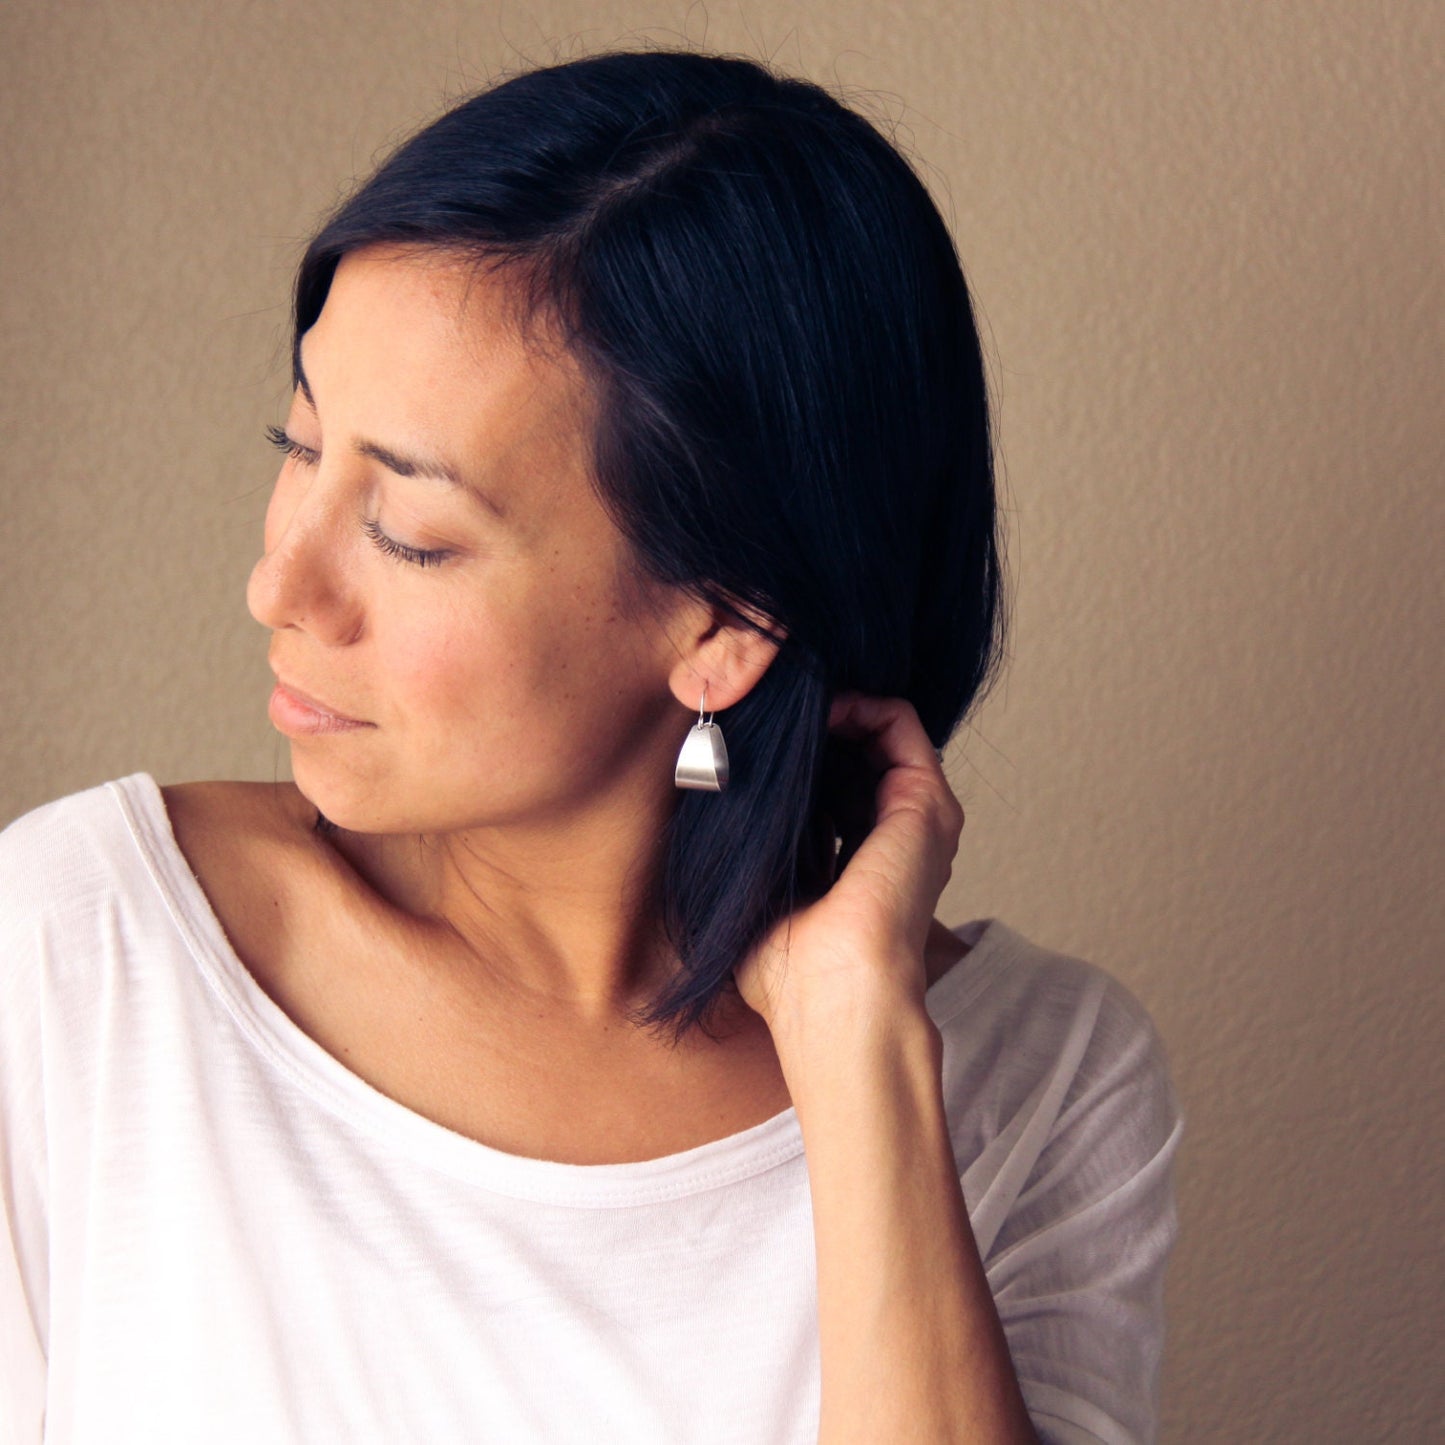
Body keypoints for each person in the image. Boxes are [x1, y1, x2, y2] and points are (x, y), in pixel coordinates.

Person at [0, 48, 1182, 1445]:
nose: (283, 585)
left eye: (410, 532)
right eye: (302, 443)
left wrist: (857, 1049)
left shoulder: (1033, 1077)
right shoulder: (84, 954)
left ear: (723, 626)